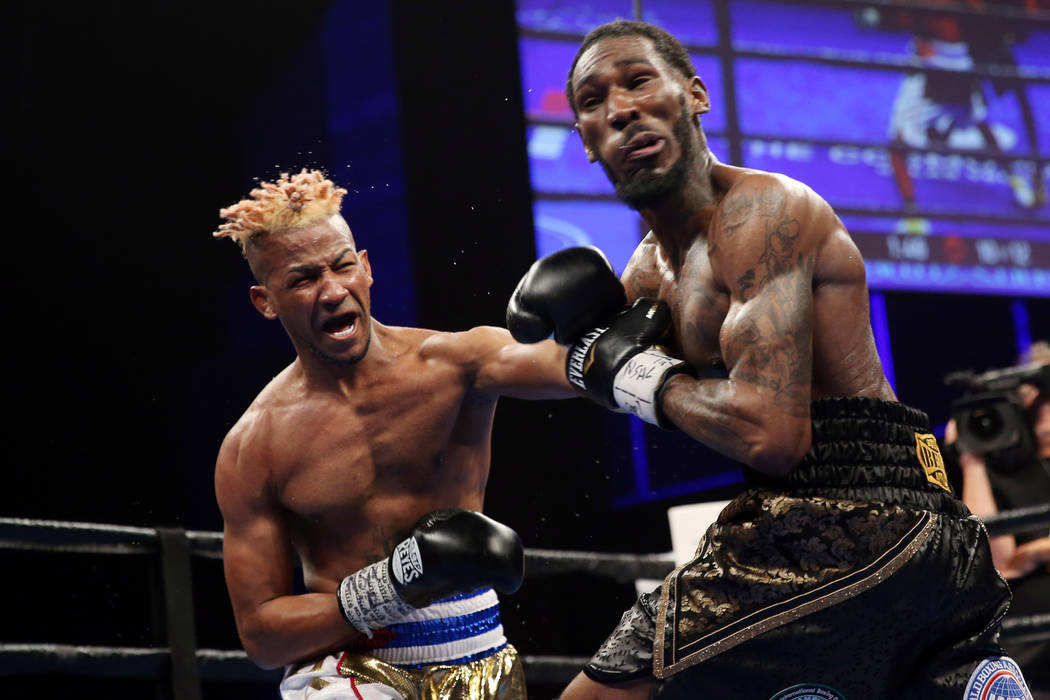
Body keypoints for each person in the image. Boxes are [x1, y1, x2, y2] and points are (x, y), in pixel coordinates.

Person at [506, 20, 1029, 699]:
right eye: (594, 100)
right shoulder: (647, 275)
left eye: (638, 81)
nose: (622, 108)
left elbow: (771, 436)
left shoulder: (763, 214)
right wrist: (401, 350)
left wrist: (632, 374)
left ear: (694, 95)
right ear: (585, 140)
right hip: (903, 527)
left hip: (847, 516)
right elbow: (565, 368)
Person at [212, 169, 572, 699]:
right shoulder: (254, 447)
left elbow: (582, 371)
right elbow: (262, 636)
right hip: (349, 668)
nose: (332, 292)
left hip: (480, 656)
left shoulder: (457, 363)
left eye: (341, 266)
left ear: (366, 268)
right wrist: (390, 588)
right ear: (266, 301)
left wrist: (612, 315)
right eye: (303, 279)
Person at [948, 341, 1050, 698]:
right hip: (1029, 659)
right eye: (1038, 400)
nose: (1045, 412)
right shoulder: (1003, 474)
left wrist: (1032, 553)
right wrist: (972, 460)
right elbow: (995, 564)